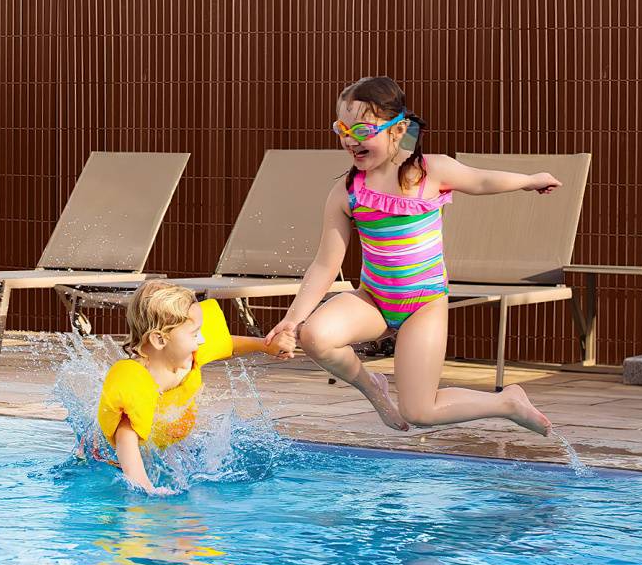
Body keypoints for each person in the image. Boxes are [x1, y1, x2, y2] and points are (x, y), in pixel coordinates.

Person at [265, 75, 557, 437]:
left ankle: (507, 402)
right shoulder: (345, 193)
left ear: (397, 128)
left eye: (362, 129)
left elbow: (481, 180)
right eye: (341, 129)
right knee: (314, 336)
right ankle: (372, 387)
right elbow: (326, 263)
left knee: (420, 411)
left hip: (424, 305)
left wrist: (529, 179)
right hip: (373, 299)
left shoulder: (429, 172)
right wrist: (293, 320)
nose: (349, 139)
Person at [97, 281, 296, 494]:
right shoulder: (139, 378)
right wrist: (145, 487)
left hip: (165, 441)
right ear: (159, 339)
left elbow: (225, 343)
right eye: (194, 334)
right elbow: (125, 436)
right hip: (113, 456)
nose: (201, 340)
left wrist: (265, 347)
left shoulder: (187, 354)